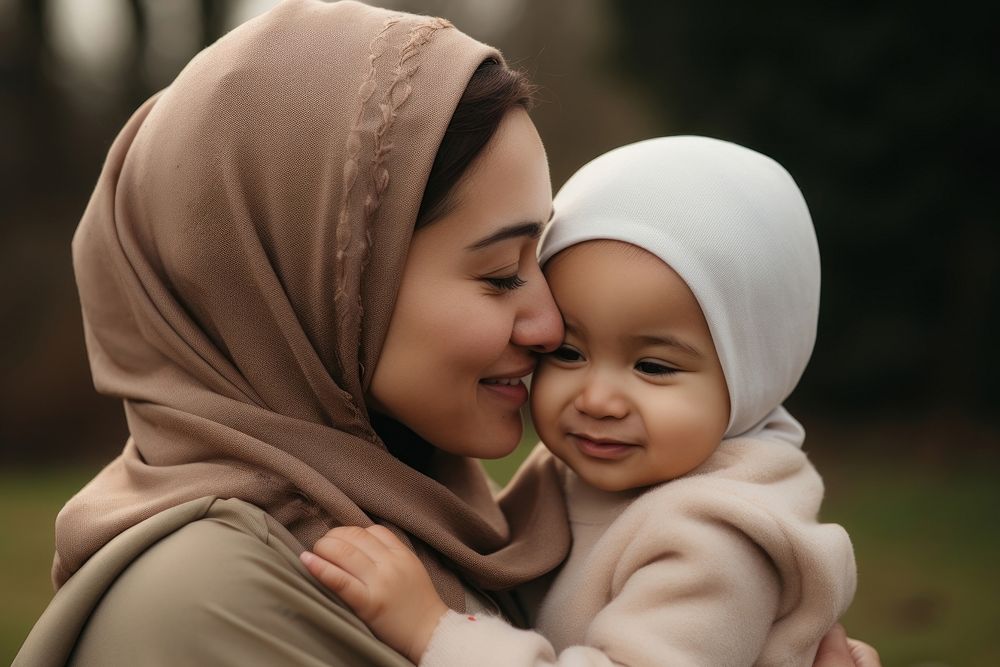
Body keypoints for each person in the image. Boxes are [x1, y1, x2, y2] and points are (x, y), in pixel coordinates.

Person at [15, 1, 877, 665]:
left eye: (540, 263)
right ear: (323, 284)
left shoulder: (431, 514)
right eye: (502, 274)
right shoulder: (210, 597)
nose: (546, 325)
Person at [300, 136, 857, 665]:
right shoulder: (580, 474)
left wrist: (433, 631)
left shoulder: (718, 541)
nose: (597, 399)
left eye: (654, 366)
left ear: (755, 376)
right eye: (568, 353)